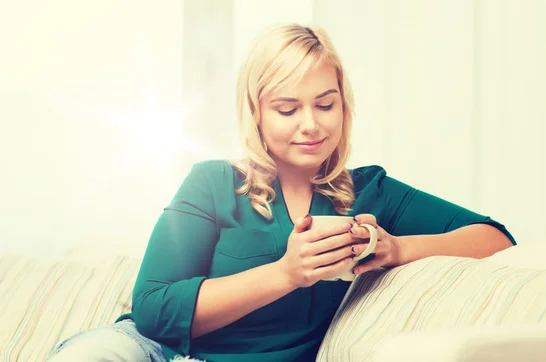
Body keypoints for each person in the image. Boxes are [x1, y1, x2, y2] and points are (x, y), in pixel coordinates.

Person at [47, 23, 516, 362]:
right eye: (287, 109)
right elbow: (152, 310)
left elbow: (495, 239)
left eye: (325, 104)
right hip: (149, 350)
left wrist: (396, 248)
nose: (310, 124)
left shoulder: (371, 191)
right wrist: (288, 274)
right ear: (257, 114)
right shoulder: (212, 182)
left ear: (343, 106)